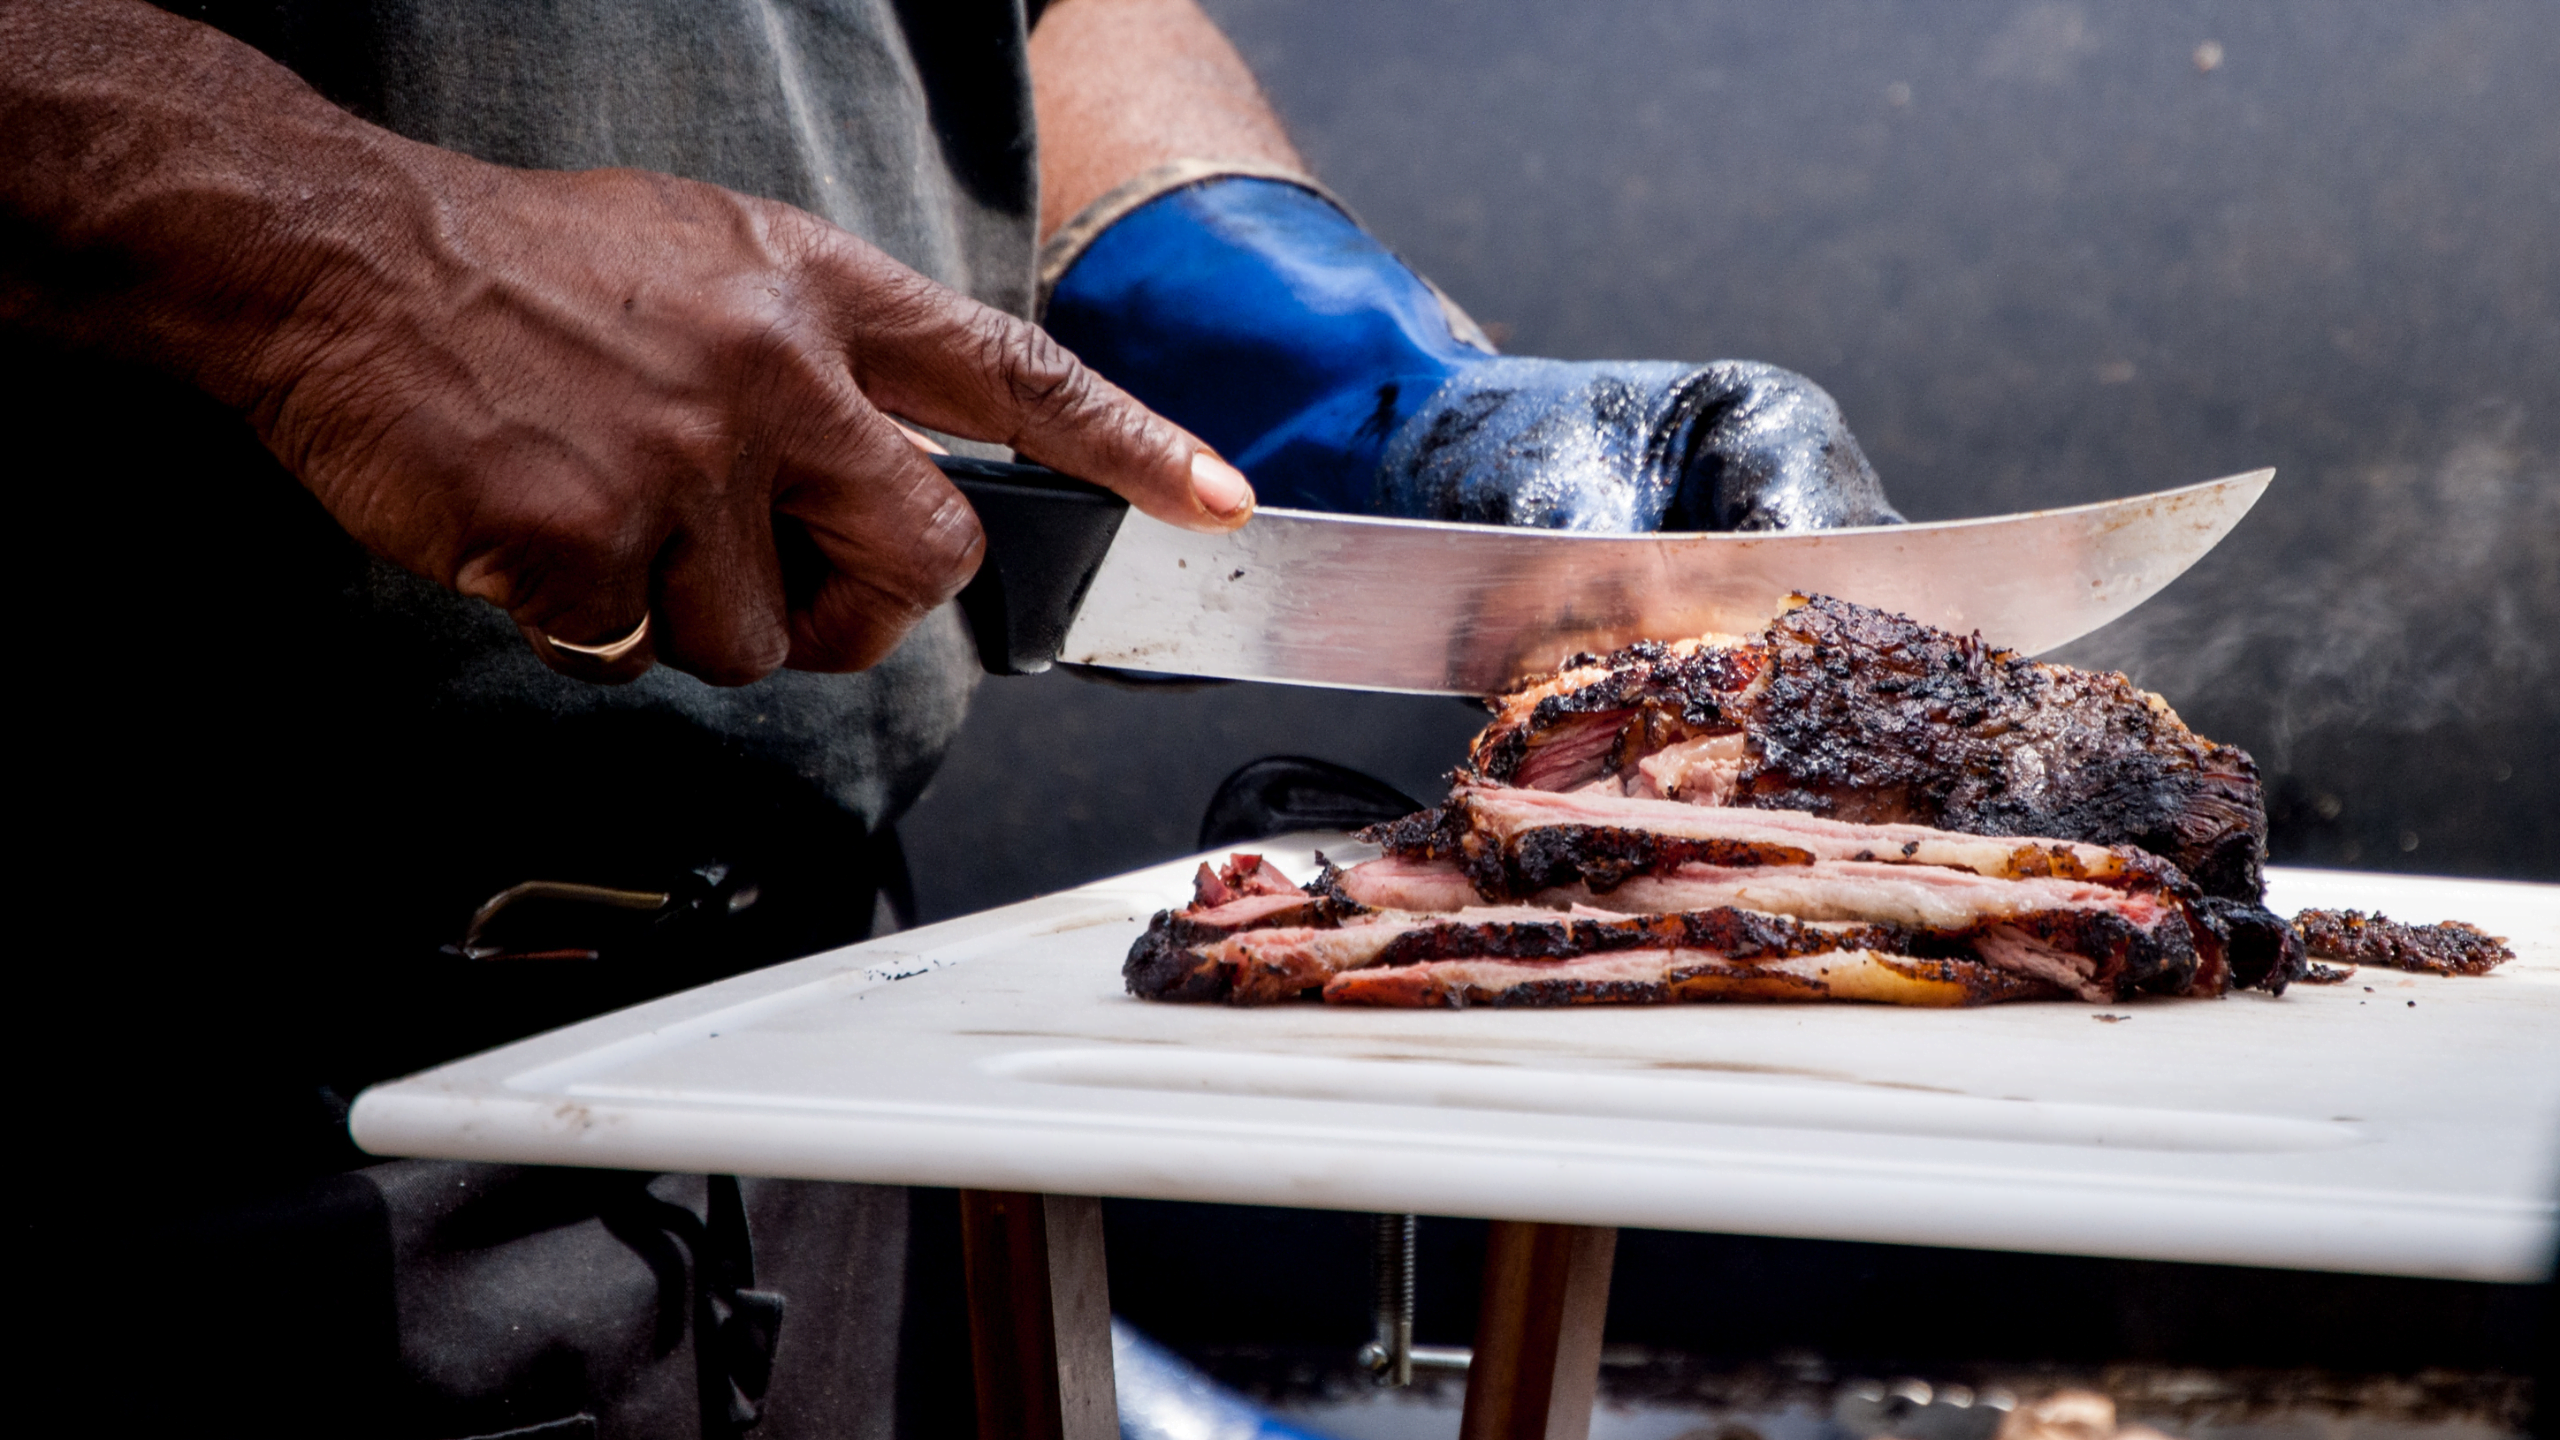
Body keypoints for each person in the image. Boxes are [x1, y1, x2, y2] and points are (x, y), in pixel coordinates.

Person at [3, 1, 1896, 1433]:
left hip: (829, 1097)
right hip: (175, 1144)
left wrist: (1339, 368)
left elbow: (1025, 28)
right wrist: (330, 257)